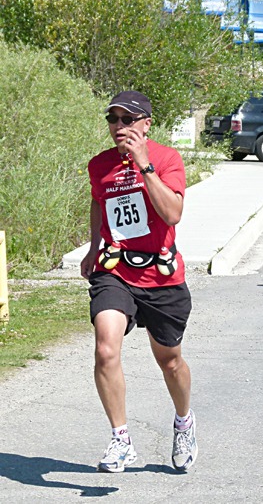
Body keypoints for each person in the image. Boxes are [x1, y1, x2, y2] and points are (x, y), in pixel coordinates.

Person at [80, 91, 198, 473]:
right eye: (113, 119)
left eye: (128, 119)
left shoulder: (167, 159)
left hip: (161, 275)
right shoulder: (99, 165)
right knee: (105, 350)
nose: (119, 127)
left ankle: (183, 422)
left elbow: (173, 213)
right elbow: (99, 203)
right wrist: (93, 247)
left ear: (146, 123)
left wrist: (144, 164)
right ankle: (121, 439)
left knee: (170, 360)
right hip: (115, 270)